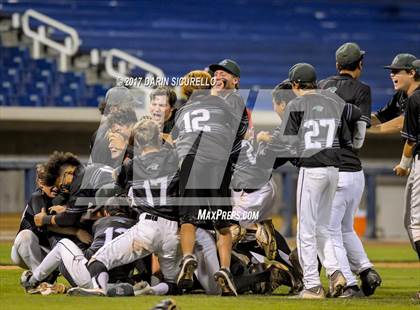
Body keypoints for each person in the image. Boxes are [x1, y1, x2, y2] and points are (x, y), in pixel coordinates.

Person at [69, 118, 181, 297]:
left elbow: (116, 178)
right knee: (172, 283)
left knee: (97, 261)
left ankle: (99, 288)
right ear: (156, 137)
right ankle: (149, 291)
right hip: (172, 231)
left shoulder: (130, 166)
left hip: (147, 228)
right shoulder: (173, 158)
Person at [319, 42, 381, 298]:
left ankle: (350, 285)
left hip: (332, 168)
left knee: (329, 230)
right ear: (360, 65)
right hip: (355, 172)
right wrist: (353, 147)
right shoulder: (362, 89)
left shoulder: (321, 86)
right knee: (345, 229)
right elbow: (361, 131)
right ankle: (366, 271)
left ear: (336, 65)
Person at [175, 70, 238, 296]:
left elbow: (178, 139)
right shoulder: (223, 105)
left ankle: (188, 257)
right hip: (217, 162)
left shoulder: (181, 111)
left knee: (188, 219)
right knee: (222, 223)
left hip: (191, 161)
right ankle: (225, 270)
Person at [21, 197, 136, 295]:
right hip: (120, 278)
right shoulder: (135, 227)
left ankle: (33, 281)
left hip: (91, 275)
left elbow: (91, 254)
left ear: (106, 212)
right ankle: (116, 287)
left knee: (62, 244)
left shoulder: (100, 223)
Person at [392, 59, 420, 300]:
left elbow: (411, 140)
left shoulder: (415, 99)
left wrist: (403, 165)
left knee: (415, 224)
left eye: (396, 71)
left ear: (413, 73)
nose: (392, 75)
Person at [369, 53, 417, 134]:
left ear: (411, 73)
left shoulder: (418, 97)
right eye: (391, 71)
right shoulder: (401, 94)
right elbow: (381, 117)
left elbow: (401, 123)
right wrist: (357, 120)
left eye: (396, 71)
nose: (391, 75)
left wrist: (365, 131)